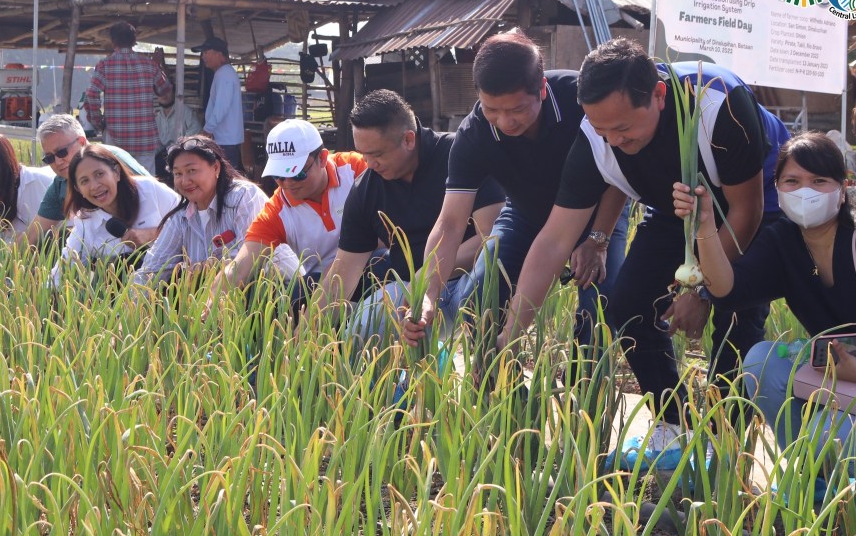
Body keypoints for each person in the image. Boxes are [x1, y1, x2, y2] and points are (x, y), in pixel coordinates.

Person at [501, 37, 790, 468]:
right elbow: (554, 239)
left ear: (657, 95)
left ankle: (726, 452)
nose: (613, 140)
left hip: (753, 203)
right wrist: (512, 333)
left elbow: (747, 211)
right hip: (675, 207)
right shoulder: (595, 138)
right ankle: (674, 428)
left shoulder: (719, 105)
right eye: (603, 130)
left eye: (623, 129)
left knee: (736, 316)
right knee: (630, 304)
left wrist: (705, 292)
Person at [403, 31, 630, 357]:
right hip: (527, 212)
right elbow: (451, 223)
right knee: (479, 297)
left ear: (541, 88)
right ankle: (497, 394)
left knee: (601, 309)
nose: (504, 121)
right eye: (492, 109)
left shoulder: (579, 99)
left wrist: (599, 239)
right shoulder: (475, 133)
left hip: (596, 211)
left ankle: (590, 399)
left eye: (516, 109)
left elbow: (619, 171)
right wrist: (428, 293)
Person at [674, 132, 856, 452]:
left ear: (843, 189)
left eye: (819, 181)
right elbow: (728, 291)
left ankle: (833, 466)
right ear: (777, 189)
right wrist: (705, 225)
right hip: (845, 374)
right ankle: (808, 479)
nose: (805, 191)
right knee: (762, 360)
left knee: (823, 436)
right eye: (792, 181)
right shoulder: (784, 242)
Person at [317, 89, 505, 344]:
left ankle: (489, 374)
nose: (370, 164)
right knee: (362, 330)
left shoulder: (459, 155)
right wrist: (307, 334)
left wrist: (427, 275)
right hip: (408, 290)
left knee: (487, 286)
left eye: (377, 154)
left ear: (408, 139)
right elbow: (343, 272)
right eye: (364, 154)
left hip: (467, 281)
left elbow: (492, 238)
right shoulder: (366, 189)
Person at [204, 119, 369, 313]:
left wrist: (339, 267)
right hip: (319, 287)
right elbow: (240, 266)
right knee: (276, 303)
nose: (288, 184)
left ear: (323, 159)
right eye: (279, 176)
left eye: (297, 174)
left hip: (370, 270)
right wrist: (208, 309)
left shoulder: (356, 169)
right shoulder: (277, 211)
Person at [132, 135, 298, 288]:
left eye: (192, 171)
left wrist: (198, 270)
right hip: (221, 297)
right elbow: (151, 269)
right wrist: (125, 312)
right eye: (178, 174)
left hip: (277, 290)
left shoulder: (243, 196)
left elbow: (248, 262)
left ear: (216, 168)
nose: (185, 181)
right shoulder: (180, 218)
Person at [50, 145, 179, 287]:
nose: (94, 186)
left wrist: (152, 234)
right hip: (126, 296)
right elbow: (62, 271)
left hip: (176, 283)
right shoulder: (85, 222)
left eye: (99, 174)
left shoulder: (151, 190)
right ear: (78, 189)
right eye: (84, 181)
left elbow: (190, 226)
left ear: (116, 172)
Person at [24, 114, 152, 248]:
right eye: (49, 158)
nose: (57, 162)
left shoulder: (112, 160)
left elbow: (170, 215)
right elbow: (33, 234)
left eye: (62, 152)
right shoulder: (60, 183)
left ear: (82, 142)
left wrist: (149, 234)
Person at [84, 21, 173, 171]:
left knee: (117, 181)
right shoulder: (148, 65)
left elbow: (92, 94)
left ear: (113, 42)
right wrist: (157, 67)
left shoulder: (104, 65)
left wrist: (97, 121)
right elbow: (165, 90)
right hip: (145, 137)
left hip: (115, 137)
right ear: (134, 41)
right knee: (146, 183)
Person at [193, 37, 245, 172]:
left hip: (225, 140)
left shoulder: (224, 74)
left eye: (206, 52)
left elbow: (221, 106)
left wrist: (208, 129)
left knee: (226, 180)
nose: (203, 56)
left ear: (219, 54)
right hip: (224, 139)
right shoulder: (223, 73)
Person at [152, 82, 202, 182]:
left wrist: (179, 147)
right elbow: (156, 142)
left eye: (168, 91)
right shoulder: (157, 116)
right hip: (164, 156)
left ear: (174, 92)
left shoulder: (184, 111)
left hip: (182, 152)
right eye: (160, 92)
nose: (164, 95)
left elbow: (196, 130)